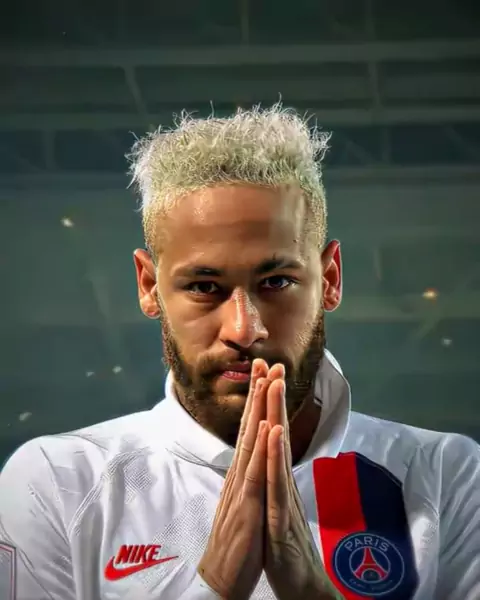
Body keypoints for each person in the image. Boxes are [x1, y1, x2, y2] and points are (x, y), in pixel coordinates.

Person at [0, 105, 479, 600]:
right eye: (204, 286)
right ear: (148, 286)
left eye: (277, 281)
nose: (244, 329)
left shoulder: (445, 474)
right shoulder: (58, 481)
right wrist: (217, 585)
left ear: (330, 279)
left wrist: (310, 592)